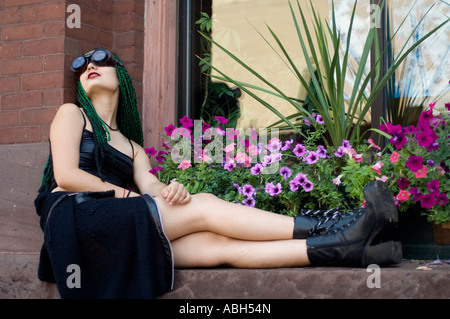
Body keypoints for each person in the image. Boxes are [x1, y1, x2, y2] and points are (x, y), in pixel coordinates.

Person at [35, 48, 402, 299]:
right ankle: (339, 223)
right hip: (76, 218)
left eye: (101, 59)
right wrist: (134, 198)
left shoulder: (131, 147)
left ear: (123, 79)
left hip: (115, 225)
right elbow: (66, 175)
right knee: (206, 205)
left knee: (217, 246)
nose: (88, 66)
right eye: (81, 66)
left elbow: (152, 186)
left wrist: (171, 190)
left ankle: (347, 249)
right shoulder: (72, 114)